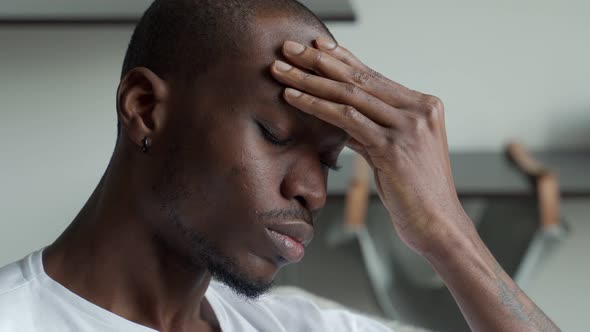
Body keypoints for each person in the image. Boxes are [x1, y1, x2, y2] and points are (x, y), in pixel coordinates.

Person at [0, 0, 560, 331]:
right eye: (275, 134)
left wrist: (448, 233)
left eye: (329, 162)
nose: (312, 191)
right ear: (144, 110)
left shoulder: (296, 324)